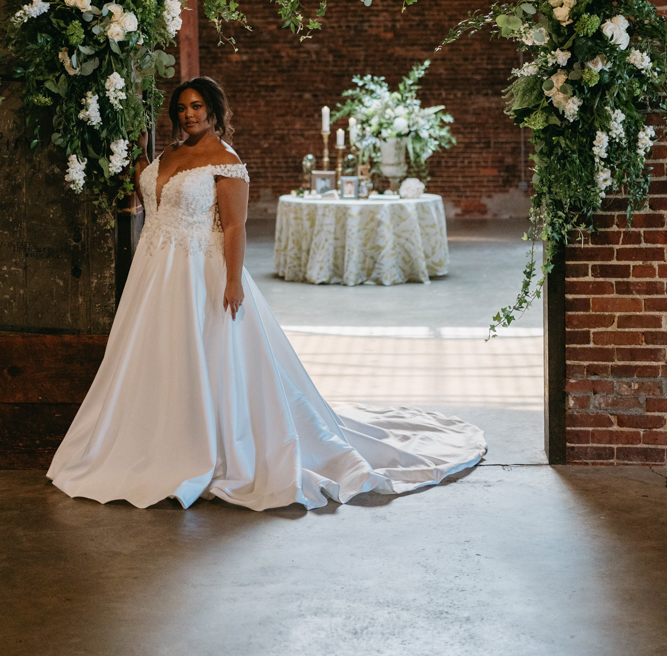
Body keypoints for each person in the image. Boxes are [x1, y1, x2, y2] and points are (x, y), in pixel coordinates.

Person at [48, 76, 486, 510]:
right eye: (182, 108)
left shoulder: (225, 159)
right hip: (153, 274)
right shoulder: (167, 154)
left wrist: (234, 281)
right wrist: (137, 156)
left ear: (214, 111)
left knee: (207, 356)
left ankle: (205, 449)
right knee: (155, 354)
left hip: (200, 271)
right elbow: (150, 200)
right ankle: (145, 443)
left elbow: (235, 225)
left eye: (197, 106)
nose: (188, 114)